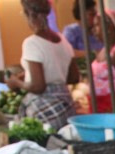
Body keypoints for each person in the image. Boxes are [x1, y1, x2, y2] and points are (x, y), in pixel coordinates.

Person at [6, 0, 79, 132]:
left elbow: (38, 86)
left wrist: (15, 82)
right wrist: (28, 75)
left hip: (45, 110)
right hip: (66, 106)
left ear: (28, 14)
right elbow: (73, 77)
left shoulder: (32, 43)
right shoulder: (63, 41)